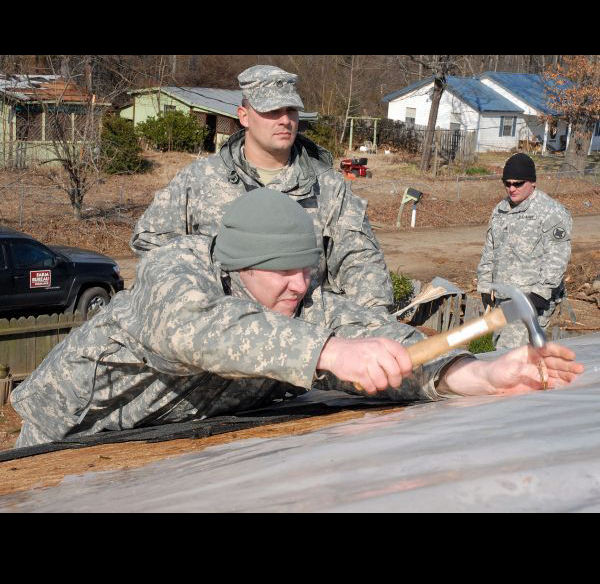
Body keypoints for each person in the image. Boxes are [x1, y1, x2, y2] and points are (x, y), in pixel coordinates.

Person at [12, 189, 583, 448]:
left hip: (160, 449)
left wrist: (475, 373)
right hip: (62, 439)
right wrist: (328, 353)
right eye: (283, 272)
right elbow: (192, 329)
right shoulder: (178, 272)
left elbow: (379, 339)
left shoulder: (299, 300)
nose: (300, 285)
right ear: (241, 266)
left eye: (308, 270)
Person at [130, 64, 394, 314]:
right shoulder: (200, 179)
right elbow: (154, 248)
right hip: (218, 333)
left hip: (304, 334)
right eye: (272, 111)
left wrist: (370, 325)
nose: (285, 120)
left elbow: (362, 264)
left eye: (291, 110)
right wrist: (194, 302)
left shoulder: (328, 187)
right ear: (244, 116)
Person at [477, 153, 572, 351]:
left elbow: (557, 257)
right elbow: (490, 249)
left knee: (509, 354)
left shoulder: (550, 212)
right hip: (503, 297)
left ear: (532, 182)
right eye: (507, 183)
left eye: (518, 183)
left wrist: (540, 295)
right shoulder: (501, 210)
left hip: (531, 300)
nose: (512, 188)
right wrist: (485, 285)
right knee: (505, 350)